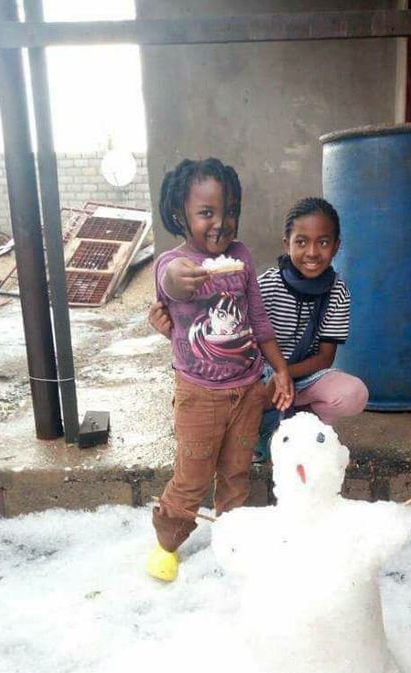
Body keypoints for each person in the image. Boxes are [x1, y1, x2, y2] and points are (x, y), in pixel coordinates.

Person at [147, 157, 292, 583]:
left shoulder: (242, 256)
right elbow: (168, 282)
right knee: (192, 477)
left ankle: (233, 540)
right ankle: (167, 543)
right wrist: (178, 280)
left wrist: (279, 370)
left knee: (236, 472)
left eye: (229, 212)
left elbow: (259, 320)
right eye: (206, 213)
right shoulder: (173, 263)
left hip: (247, 389)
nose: (220, 224)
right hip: (199, 395)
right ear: (181, 215)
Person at [149, 196, 368, 460]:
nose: (312, 252)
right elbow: (224, 334)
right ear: (287, 244)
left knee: (353, 393)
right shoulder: (266, 285)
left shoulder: (337, 291)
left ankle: (306, 423)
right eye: (301, 242)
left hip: (303, 375)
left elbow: (324, 358)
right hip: (256, 376)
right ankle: (262, 425)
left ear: (336, 247)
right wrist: (169, 330)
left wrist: (283, 375)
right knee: (225, 428)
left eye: (322, 242)